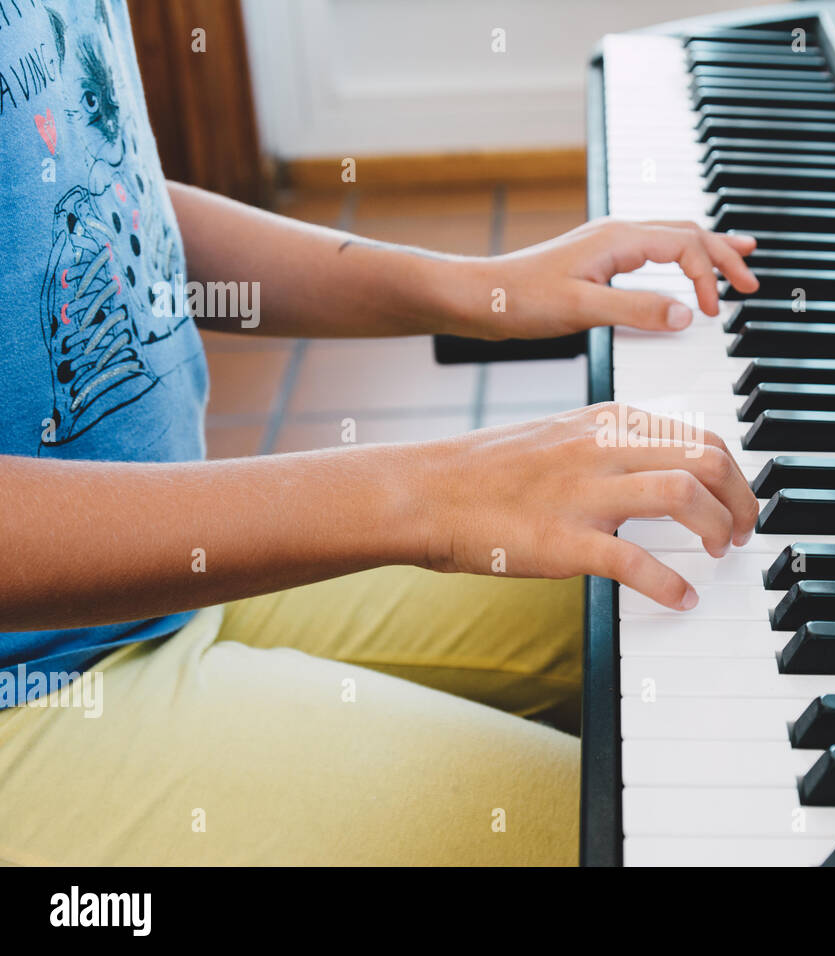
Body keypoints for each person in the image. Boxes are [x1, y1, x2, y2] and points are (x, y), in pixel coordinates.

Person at [0, 0, 759, 865]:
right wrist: (429, 493)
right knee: (651, 840)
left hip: (159, 581)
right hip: (30, 699)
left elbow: (94, 186)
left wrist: (476, 289)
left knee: (704, 593)